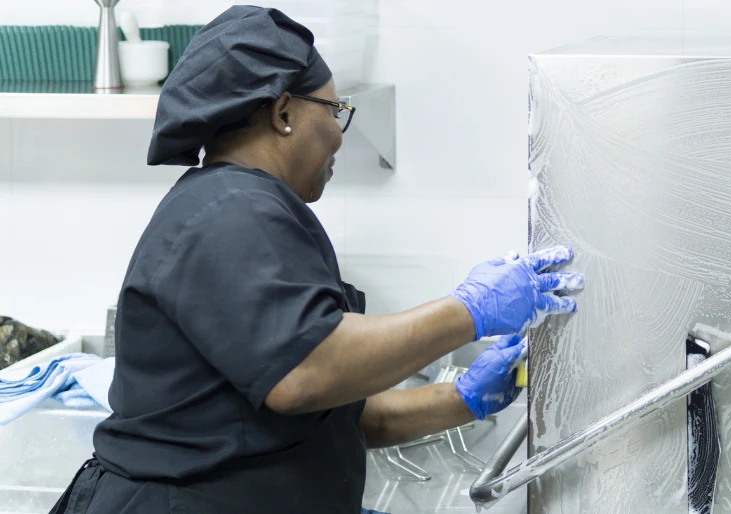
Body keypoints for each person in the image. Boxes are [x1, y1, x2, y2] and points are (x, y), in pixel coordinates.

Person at [48, 6, 583, 514]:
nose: (338, 137)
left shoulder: (247, 207)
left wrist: (462, 399)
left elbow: (331, 409)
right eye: (336, 112)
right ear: (283, 113)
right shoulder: (232, 211)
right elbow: (305, 372)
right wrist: (470, 311)